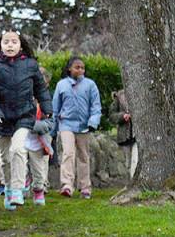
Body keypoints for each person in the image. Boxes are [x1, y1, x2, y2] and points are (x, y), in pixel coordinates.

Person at [0, 30, 53, 211]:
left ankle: (18, 190)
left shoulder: (30, 65)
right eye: (6, 42)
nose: (10, 45)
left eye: (14, 42)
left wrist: (47, 107)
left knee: (18, 148)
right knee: (4, 159)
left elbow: (41, 89)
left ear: (20, 45)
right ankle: (9, 188)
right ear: (0, 45)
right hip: (1, 119)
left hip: (23, 116)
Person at [53, 56, 102, 199]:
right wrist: (53, 128)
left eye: (82, 67)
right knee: (68, 153)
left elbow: (96, 106)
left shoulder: (90, 85)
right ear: (70, 69)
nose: (80, 70)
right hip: (66, 124)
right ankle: (67, 185)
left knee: (83, 156)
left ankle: (85, 187)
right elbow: (56, 107)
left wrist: (93, 121)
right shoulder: (61, 85)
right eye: (77, 67)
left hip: (84, 126)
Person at [22, 66, 55, 206]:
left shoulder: (46, 101)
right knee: (20, 166)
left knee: (38, 170)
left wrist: (33, 125)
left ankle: (38, 190)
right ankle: (21, 188)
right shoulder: (21, 97)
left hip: (38, 142)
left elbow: (50, 122)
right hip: (22, 139)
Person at [110, 88, 138, 180]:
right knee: (127, 164)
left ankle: (133, 181)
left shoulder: (141, 92)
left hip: (138, 136)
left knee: (136, 161)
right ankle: (129, 184)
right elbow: (112, 116)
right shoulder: (119, 95)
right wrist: (122, 116)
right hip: (124, 136)